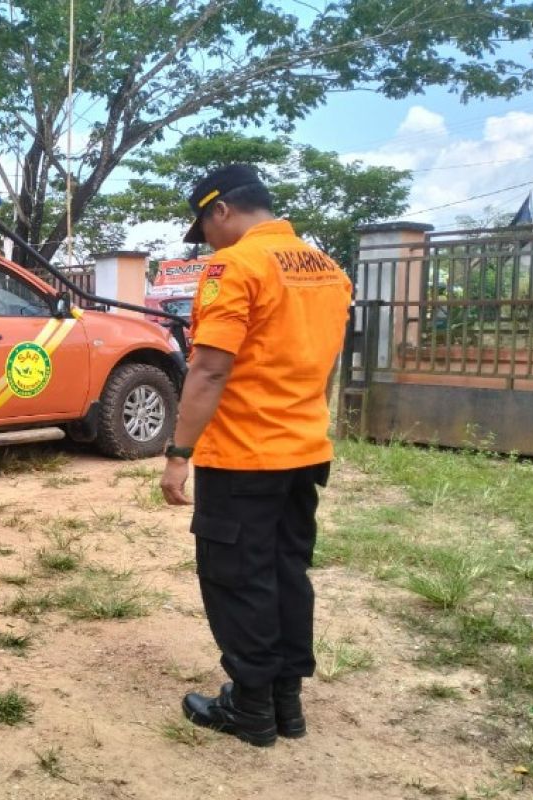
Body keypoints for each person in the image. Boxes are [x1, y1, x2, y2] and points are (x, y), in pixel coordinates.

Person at [158, 164, 352, 747]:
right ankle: (285, 703)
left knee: (238, 578)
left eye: (203, 227)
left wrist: (177, 453)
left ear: (221, 210)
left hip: (243, 454)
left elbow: (211, 366)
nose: (206, 242)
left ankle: (249, 708)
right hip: (303, 448)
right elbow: (326, 362)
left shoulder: (236, 264)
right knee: (285, 572)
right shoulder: (327, 267)